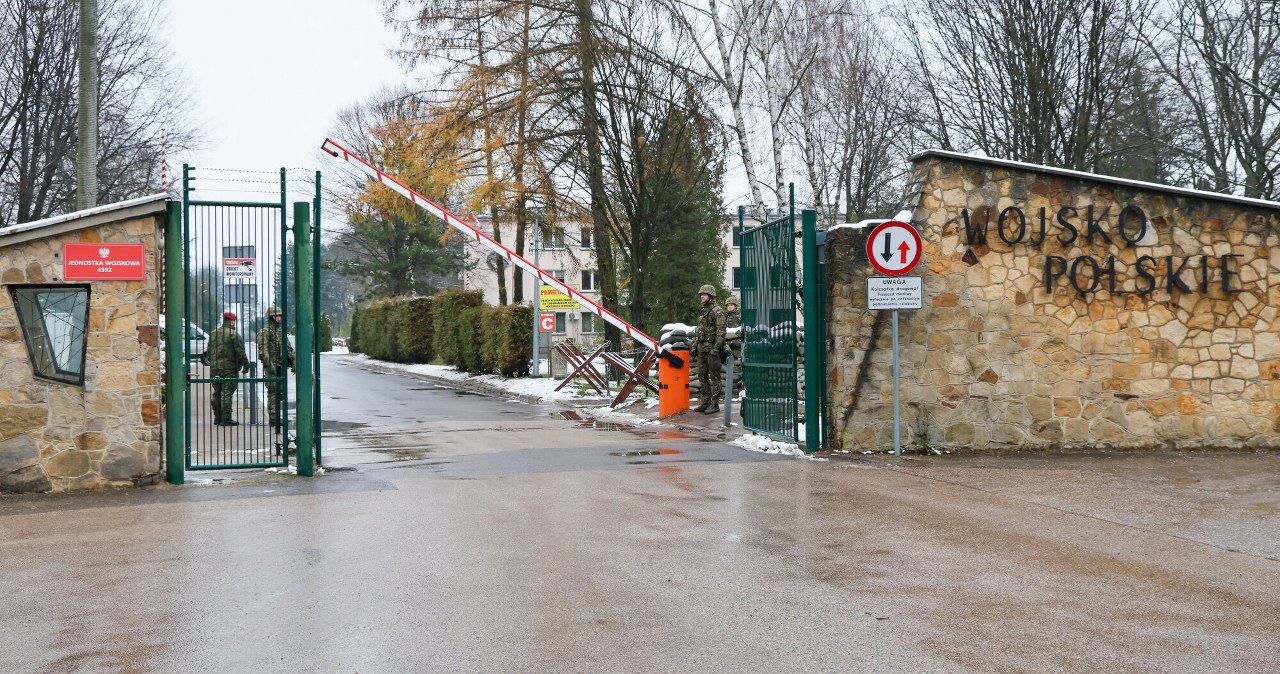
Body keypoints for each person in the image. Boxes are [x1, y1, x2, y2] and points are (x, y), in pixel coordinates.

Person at [255, 306, 295, 429]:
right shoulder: (265, 332)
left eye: (280, 316)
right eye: (277, 316)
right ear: (271, 317)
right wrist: (269, 365)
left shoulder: (280, 332)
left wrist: (293, 361)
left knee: (280, 393)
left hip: (281, 366)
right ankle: (273, 418)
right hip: (272, 366)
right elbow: (263, 350)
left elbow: (288, 349)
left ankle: (278, 416)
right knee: (273, 392)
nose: (279, 318)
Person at [207, 311, 249, 426]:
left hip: (215, 369)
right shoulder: (233, 335)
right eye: (234, 321)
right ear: (231, 321)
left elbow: (209, 352)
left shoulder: (213, 334)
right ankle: (226, 418)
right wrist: (246, 364)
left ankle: (217, 417)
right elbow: (240, 352)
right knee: (226, 392)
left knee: (217, 392)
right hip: (229, 369)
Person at [692, 283, 725, 414]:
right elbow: (700, 330)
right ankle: (706, 401)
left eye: (704, 295)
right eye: (701, 295)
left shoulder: (717, 311)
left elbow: (721, 332)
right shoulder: (704, 311)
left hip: (712, 349)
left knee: (715, 377)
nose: (702, 297)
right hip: (702, 349)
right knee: (702, 376)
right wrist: (695, 346)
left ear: (711, 296)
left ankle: (715, 404)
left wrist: (716, 349)